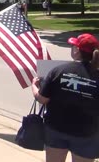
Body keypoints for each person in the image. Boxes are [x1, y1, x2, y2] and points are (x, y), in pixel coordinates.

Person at [32, 33, 99, 162]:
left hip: (56, 129)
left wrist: (34, 86)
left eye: (73, 46)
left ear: (77, 50)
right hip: (87, 133)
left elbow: (42, 99)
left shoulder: (58, 71)